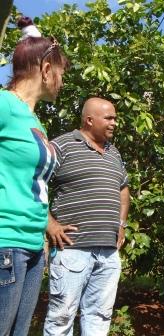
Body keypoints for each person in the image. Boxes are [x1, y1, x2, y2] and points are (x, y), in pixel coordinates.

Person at [0, 17, 68, 336]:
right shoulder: (4, 104)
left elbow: (34, 185)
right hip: (5, 242)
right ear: (45, 69)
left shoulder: (33, 121)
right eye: (61, 72)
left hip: (31, 247)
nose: (62, 80)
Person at [43, 97, 130, 336]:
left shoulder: (114, 153)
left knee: (100, 316)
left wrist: (121, 225)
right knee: (61, 318)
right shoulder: (61, 146)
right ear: (89, 120)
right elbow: (34, 181)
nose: (114, 123)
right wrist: (50, 224)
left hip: (108, 252)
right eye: (109, 118)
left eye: (115, 118)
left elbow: (123, 189)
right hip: (73, 249)